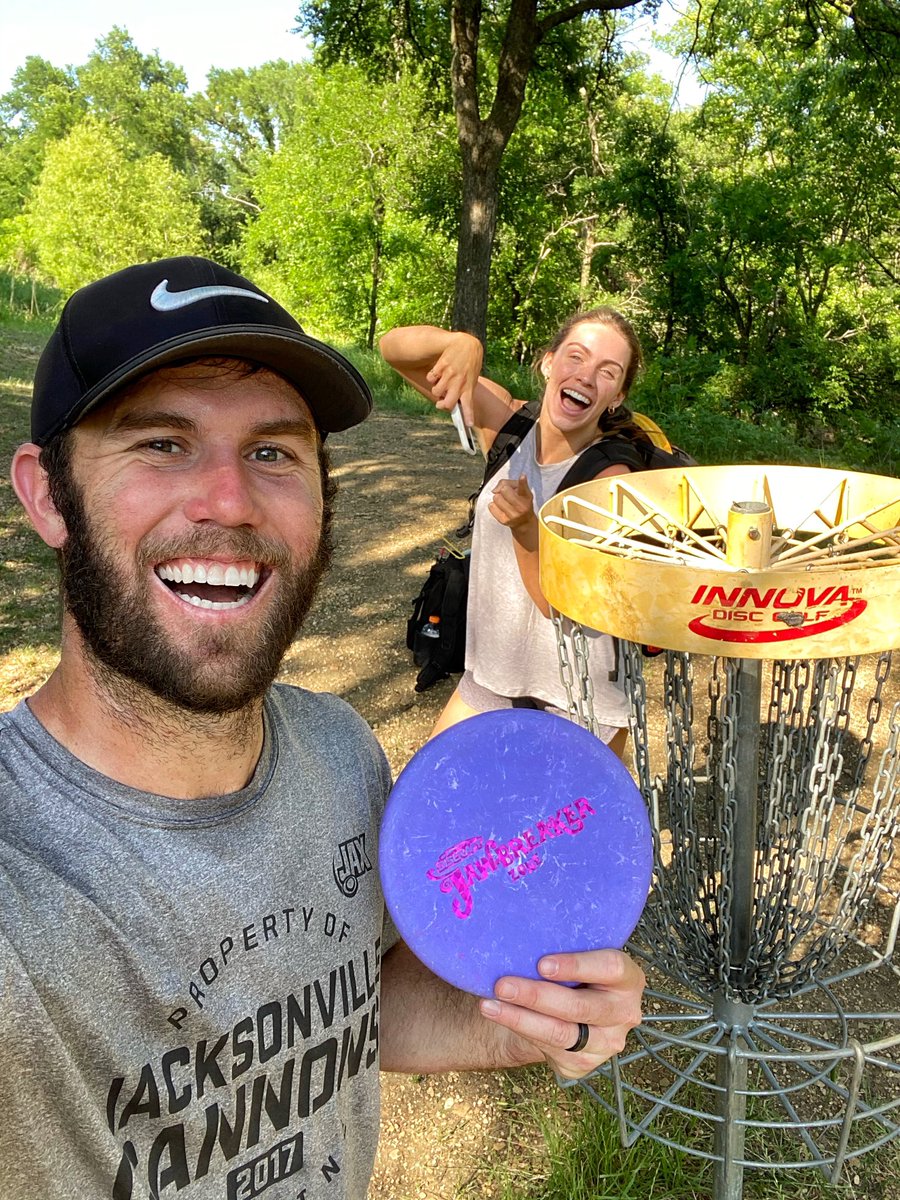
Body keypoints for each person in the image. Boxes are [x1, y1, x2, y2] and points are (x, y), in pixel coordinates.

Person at [0, 257, 645, 1199]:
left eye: (272, 452)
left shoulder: (342, 756)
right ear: (48, 495)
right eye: (161, 444)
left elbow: (341, 1004)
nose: (229, 500)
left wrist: (513, 1018)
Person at [379, 310, 645, 754]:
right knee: (432, 810)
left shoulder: (611, 477)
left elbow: (559, 604)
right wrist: (461, 342)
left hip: (580, 703)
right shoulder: (509, 423)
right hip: (491, 679)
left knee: (560, 826)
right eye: (575, 357)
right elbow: (393, 349)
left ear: (616, 397)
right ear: (548, 362)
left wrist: (526, 529)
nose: (585, 377)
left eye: (607, 372)